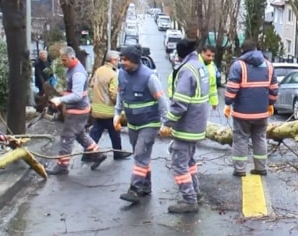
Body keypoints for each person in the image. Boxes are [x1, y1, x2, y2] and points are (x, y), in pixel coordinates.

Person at [115, 46, 170, 204]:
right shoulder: (121, 75)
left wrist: (166, 123)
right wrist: (117, 114)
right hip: (133, 124)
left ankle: (135, 189)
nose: (122, 62)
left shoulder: (149, 77)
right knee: (142, 156)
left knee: (140, 154)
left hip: (149, 123)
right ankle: (146, 186)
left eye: (125, 60)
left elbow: (162, 101)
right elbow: (120, 96)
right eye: (121, 59)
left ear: (134, 60)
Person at [164, 38, 211, 213]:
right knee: (189, 160)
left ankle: (189, 200)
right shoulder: (199, 66)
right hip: (197, 123)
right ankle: (195, 192)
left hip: (187, 125)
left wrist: (168, 123)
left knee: (178, 163)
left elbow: (180, 103)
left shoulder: (187, 71)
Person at [46, 47, 107, 175]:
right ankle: (97, 153)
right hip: (79, 109)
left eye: (64, 60)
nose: (63, 63)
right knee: (80, 134)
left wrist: (61, 99)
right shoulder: (73, 69)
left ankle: (62, 166)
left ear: (71, 58)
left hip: (77, 111)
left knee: (67, 137)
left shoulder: (77, 73)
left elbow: (77, 95)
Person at [224, 40, 278, 177]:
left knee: (240, 139)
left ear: (243, 51)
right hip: (261, 113)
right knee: (260, 138)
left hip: (242, 113)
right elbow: (274, 89)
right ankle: (261, 168)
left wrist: (228, 103)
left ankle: (240, 169)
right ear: (256, 49)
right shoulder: (269, 66)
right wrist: (270, 103)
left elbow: (232, 89)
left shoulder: (238, 66)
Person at [86, 50, 131, 161]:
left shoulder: (99, 71)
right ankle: (117, 153)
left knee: (97, 132)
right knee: (114, 131)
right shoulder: (113, 74)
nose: (119, 62)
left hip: (97, 108)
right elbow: (114, 93)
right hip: (108, 109)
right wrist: (120, 105)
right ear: (113, 60)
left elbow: (91, 84)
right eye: (118, 60)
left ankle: (87, 154)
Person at [199, 44, 219, 110]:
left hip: (204, 103)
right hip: (192, 103)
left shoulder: (212, 67)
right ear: (202, 53)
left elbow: (212, 86)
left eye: (213, 56)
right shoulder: (195, 63)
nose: (211, 58)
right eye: (208, 55)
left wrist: (214, 102)